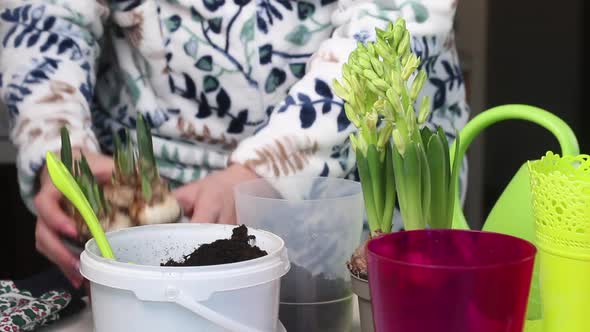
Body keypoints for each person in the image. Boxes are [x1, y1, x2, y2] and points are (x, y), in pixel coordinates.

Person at [0, 0, 469, 287]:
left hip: (355, 186)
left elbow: (397, 17)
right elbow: (46, 15)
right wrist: (59, 145)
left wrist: (262, 172)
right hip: (154, 190)